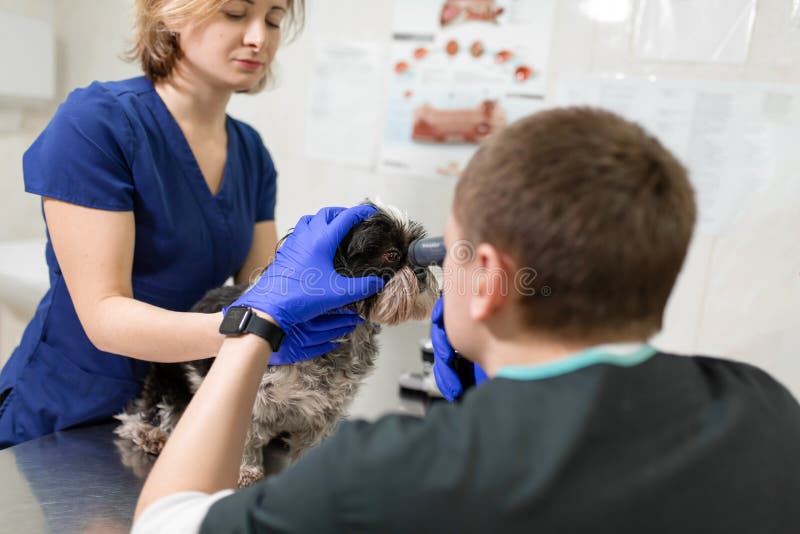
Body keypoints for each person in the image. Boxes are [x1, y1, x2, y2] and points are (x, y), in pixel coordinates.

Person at [132, 107, 800, 533]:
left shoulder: (390, 474)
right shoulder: (768, 412)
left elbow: (166, 524)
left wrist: (259, 324)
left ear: (485, 282)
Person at [0, 0, 343, 449]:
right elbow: (105, 315)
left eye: (274, 19)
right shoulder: (96, 124)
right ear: (173, 14)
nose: (260, 38)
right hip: (70, 415)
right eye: (236, 14)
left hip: (181, 410)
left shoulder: (250, 152)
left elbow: (260, 290)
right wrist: (250, 330)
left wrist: (330, 286)